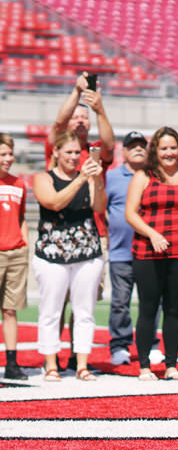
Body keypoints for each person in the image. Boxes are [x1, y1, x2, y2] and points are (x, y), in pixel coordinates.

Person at [46, 72, 114, 370]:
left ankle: (77, 354)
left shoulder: (94, 152)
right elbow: (58, 126)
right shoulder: (60, 150)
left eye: (85, 118)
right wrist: (75, 93)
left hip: (95, 231)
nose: (80, 120)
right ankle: (54, 354)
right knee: (58, 299)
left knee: (84, 300)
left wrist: (99, 109)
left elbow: (110, 145)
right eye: (77, 116)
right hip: (61, 231)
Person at [126, 127, 178, 380]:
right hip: (147, 252)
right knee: (148, 308)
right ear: (155, 152)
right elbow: (130, 213)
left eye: (173, 148)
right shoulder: (143, 176)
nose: (169, 153)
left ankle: (171, 365)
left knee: (174, 309)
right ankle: (145, 367)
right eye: (164, 149)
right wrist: (152, 234)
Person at [32, 130, 106, 382]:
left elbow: (99, 207)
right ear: (56, 153)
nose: (74, 157)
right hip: (52, 253)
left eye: (77, 152)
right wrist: (80, 179)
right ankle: (51, 363)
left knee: (85, 310)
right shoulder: (44, 178)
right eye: (69, 152)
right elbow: (53, 202)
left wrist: (96, 181)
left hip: (87, 252)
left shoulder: (87, 178)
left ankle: (82, 364)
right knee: (51, 309)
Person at [105, 131, 164, 366]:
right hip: (121, 251)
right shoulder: (111, 177)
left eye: (142, 146)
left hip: (150, 250)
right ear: (124, 151)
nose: (138, 149)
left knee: (151, 300)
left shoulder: (156, 176)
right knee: (120, 301)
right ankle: (119, 345)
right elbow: (101, 207)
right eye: (133, 146)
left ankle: (150, 344)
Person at [0, 134, 29, 380]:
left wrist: (24, 245)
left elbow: (20, 218)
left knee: (10, 310)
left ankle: (11, 363)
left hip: (15, 253)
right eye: (3, 154)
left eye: (10, 154)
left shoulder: (18, 183)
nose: (8, 159)